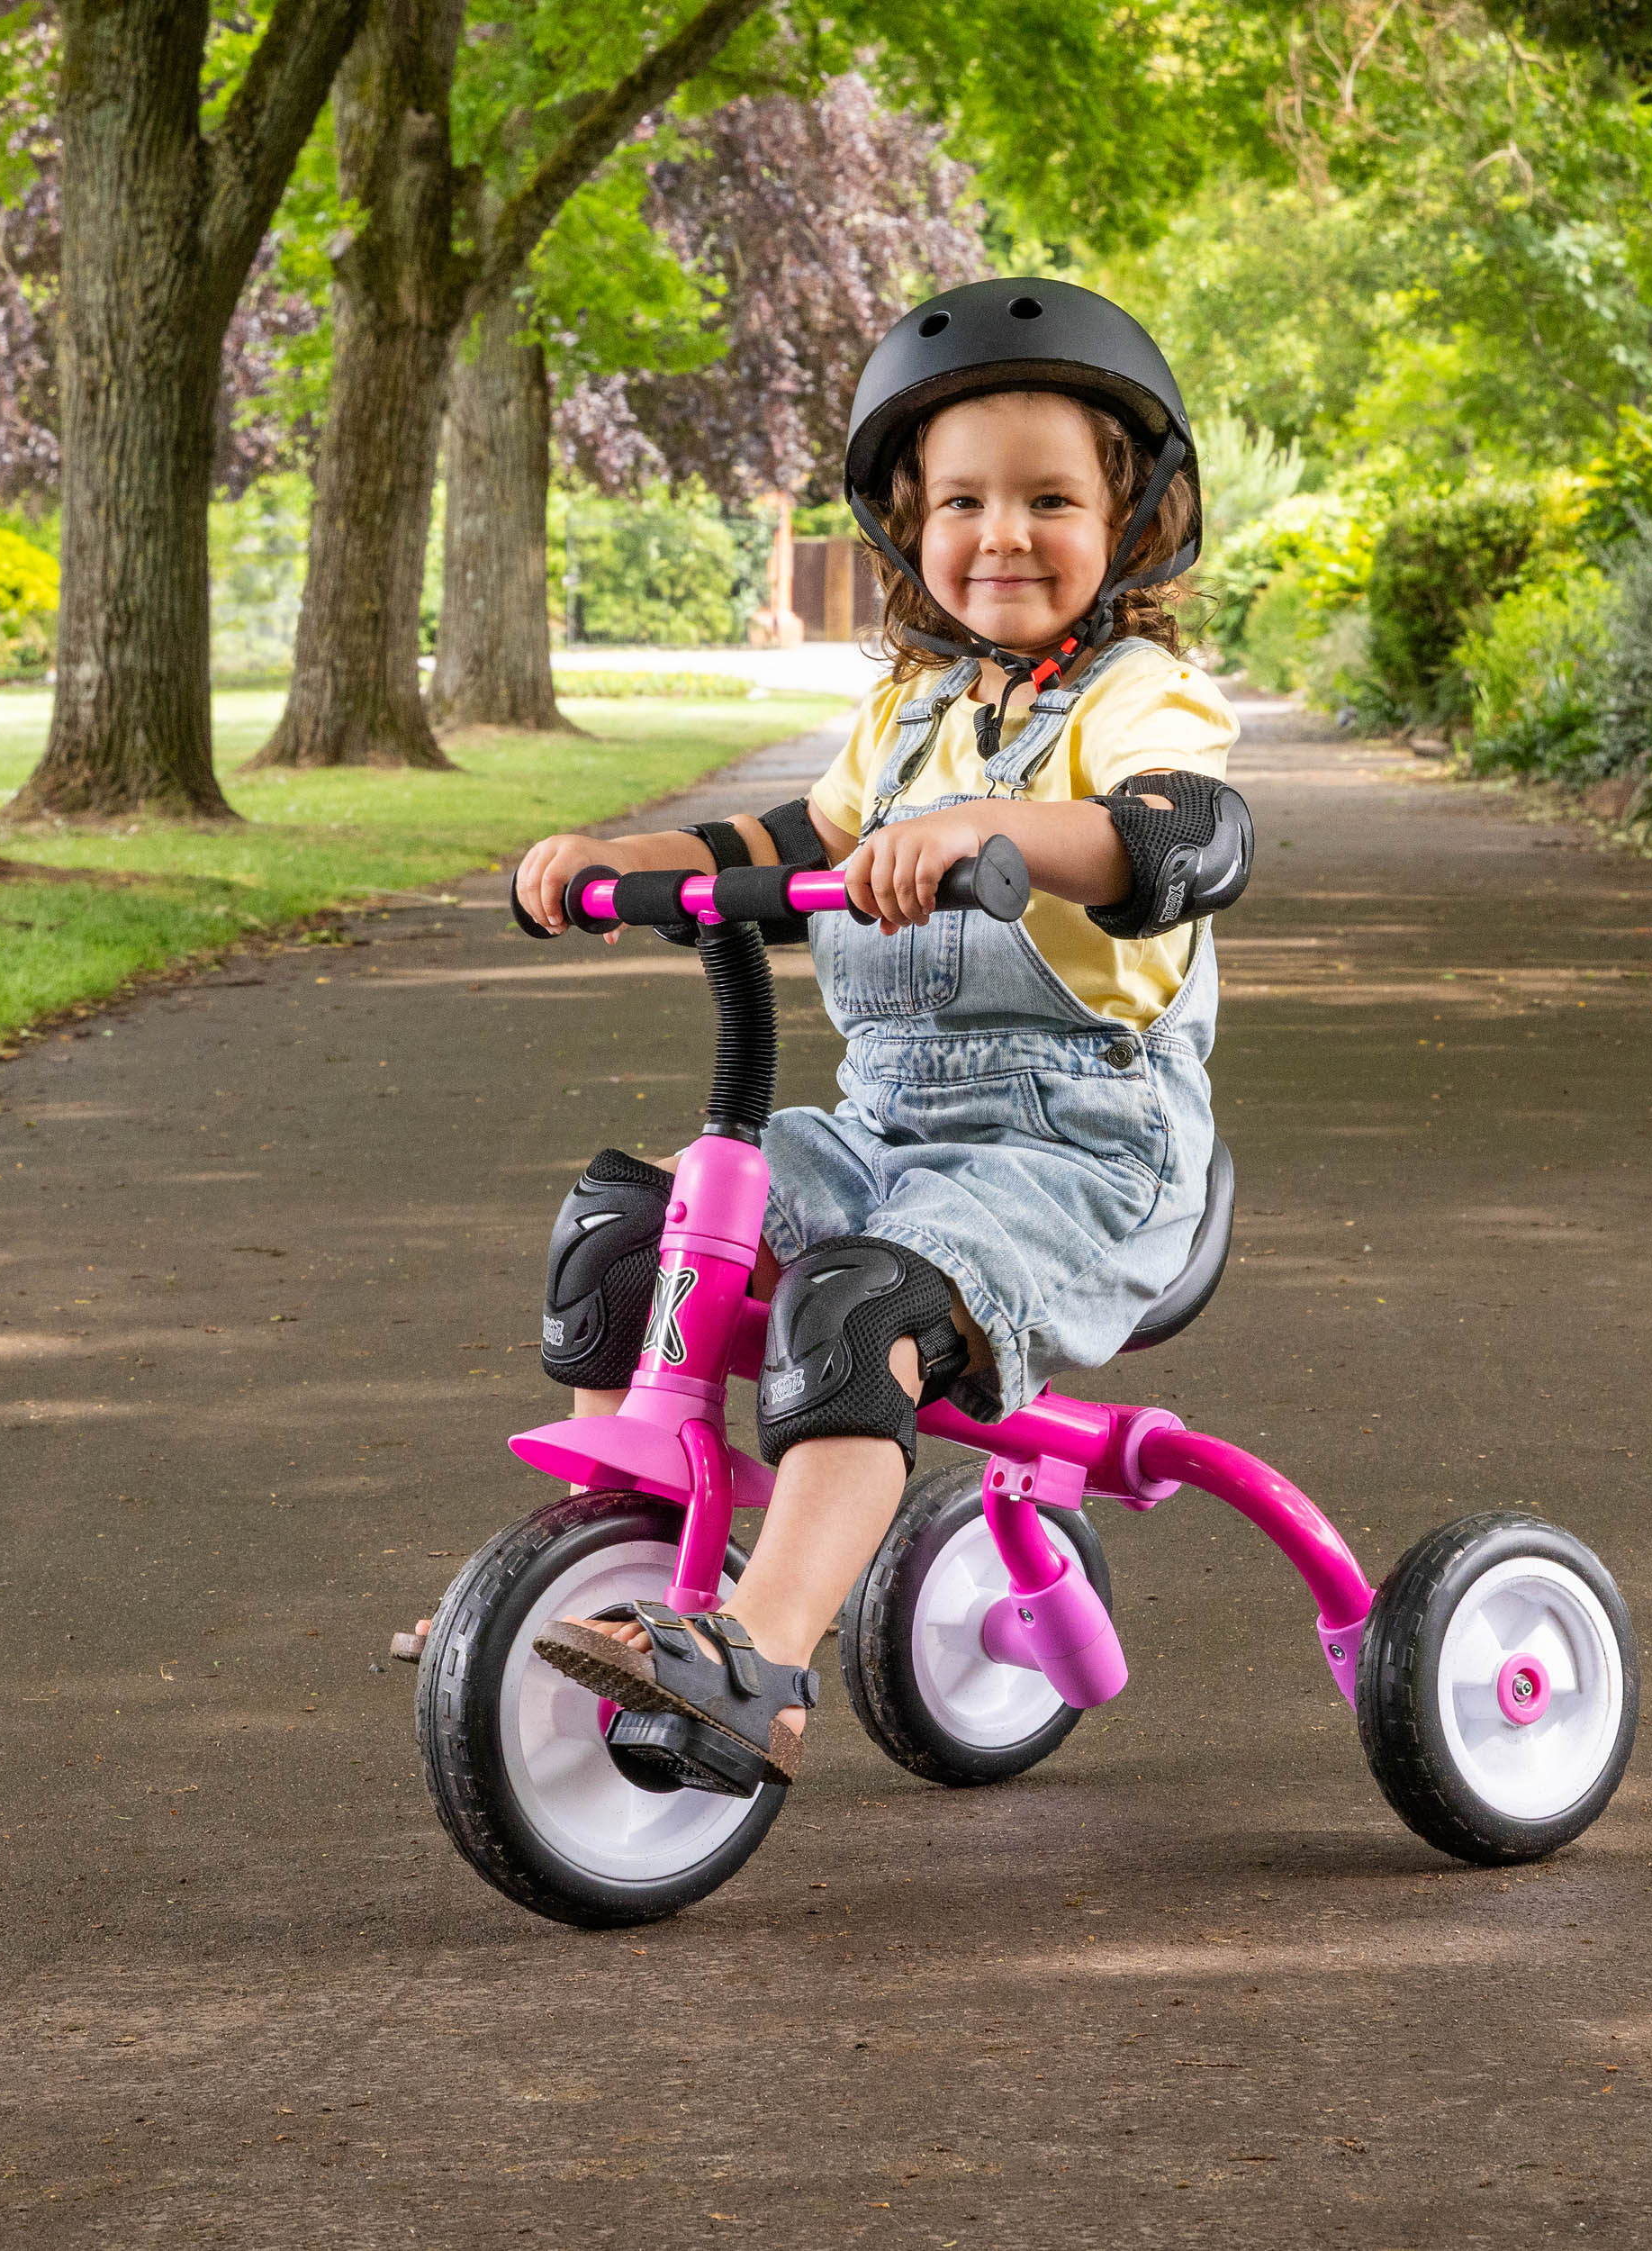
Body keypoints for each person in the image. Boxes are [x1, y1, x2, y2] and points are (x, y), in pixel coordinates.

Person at [510, 280, 1251, 1797]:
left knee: (850, 1311)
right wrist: (623, 858)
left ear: (1135, 520)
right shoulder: (912, 712)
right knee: (627, 1229)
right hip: (892, 1137)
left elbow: (1184, 832)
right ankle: (588, 1565)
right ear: (908, 522)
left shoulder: (1138, 697)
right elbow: (794, 835)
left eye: (1052, 498)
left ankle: (759, 1664)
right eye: (963, 500)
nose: (1004, 535)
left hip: (1088, 1155)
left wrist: (1007, 833)